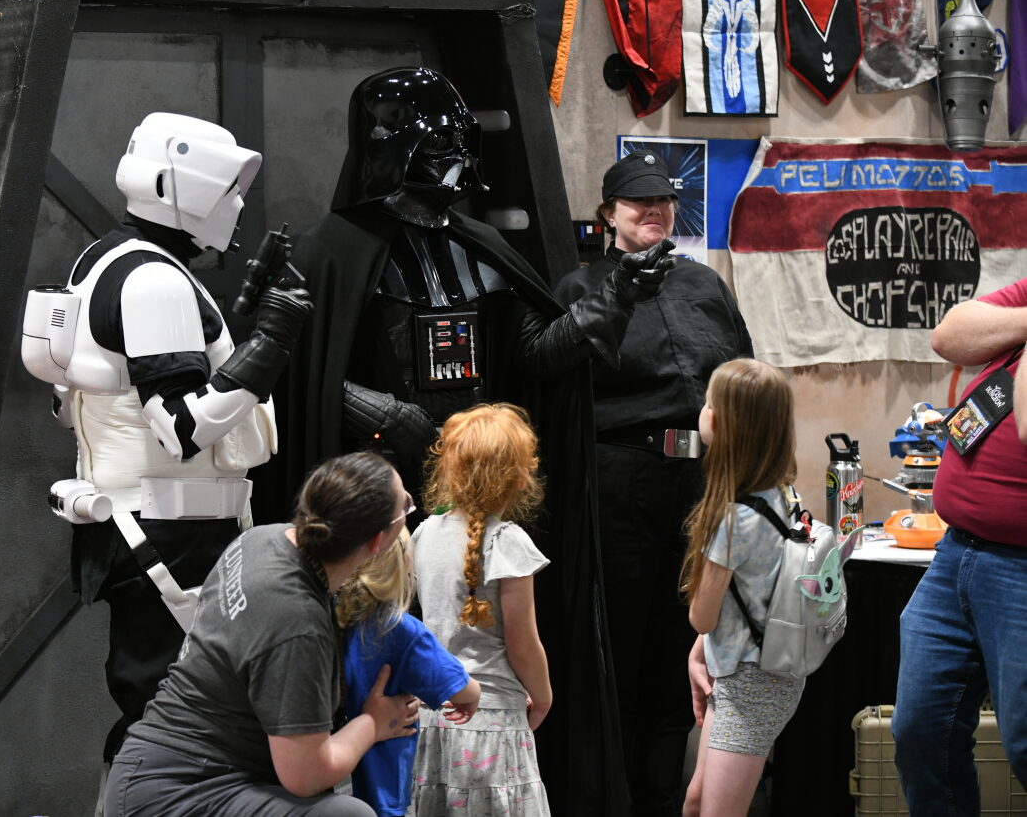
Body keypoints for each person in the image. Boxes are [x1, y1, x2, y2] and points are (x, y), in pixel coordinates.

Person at [263, 65, 622, 814]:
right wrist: (388, 415)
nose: (455, 168)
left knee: (474, 635)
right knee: (375, 650)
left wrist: (609, 303)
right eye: (438, 153)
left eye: (459, 151)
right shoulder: (330, 252)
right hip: (379, 498)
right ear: (391, 152)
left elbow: (534, 354)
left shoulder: (481, 246)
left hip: (469, 492)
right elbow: (300, 377)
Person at [20, 112, 314, 771]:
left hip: (151, 525)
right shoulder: (154, 281)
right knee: (174, 723)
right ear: (182, 187)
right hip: (167, 531)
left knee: (166, 714)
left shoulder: (108, 259)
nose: (237, 204)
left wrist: (238, 336)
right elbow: (183, 428)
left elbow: (94, 398)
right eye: (227, 188)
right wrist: (270, 345)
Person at [552, 149, 753, 817]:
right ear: (608, 213)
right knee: (621, 650)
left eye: (664, 200)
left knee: (684, 647)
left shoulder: (705, 285)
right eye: (639, 201)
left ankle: (664, 800)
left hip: (702, 484)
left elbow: (744, 373)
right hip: (621, 483)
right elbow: (553, 377)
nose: (655, 211)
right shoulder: (581, 289)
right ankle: (612, 800)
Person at [103, 451, 422, 816]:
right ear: (379, 541)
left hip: (149, 770)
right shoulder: (298, 623)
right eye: (405, 505)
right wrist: (372, 723)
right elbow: (306, 776)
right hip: (173, 794)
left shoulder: (262, 539)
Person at [891, 276, 1027, 816]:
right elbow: (950, 335)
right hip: (957, 557)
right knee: (921, 731)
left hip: (1019, 570)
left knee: (1024, 744)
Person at [408, 403, 554, 816]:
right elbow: (523, 644)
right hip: (494, 725)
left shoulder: (423, 534)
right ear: (520, 476)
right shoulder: (507, 541)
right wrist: (544, 698)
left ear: (449, 469)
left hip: (434, 718)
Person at [679, 358, 804, 817]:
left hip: (751, 683)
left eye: (708, 402)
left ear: (718, 423)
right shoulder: (785, 496)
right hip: (757, 673)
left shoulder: (732, 522)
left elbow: (702, 616)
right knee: (696, 801)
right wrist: (702, 652)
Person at [336, 530, 482, 816]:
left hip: (333, 773)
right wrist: (473, 696)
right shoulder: (402, 630)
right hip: (382, 784)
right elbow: (463, 689)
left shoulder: (335, 615)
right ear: (404, 564)